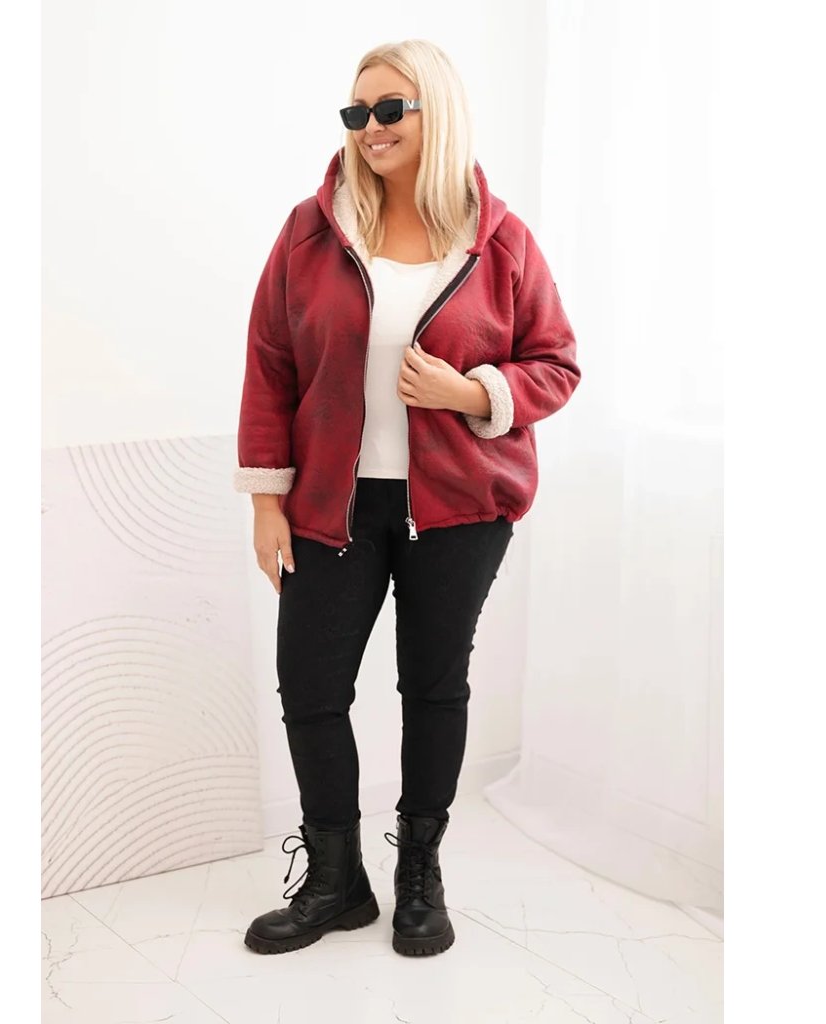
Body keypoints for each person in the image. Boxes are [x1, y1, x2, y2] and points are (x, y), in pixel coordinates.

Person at [233, 39, 581, 957]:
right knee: (311, 687)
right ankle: (335, 881)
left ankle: (418, 873)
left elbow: (556, 363)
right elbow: (270, 363)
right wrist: (266, 499)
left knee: (433, 687)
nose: (371, 128)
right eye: (357, 113)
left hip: (458, 509)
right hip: (332, 506)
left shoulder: (500, 239)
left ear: (438, 112)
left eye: (391, 109)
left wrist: (471, 393)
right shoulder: (311, 231)